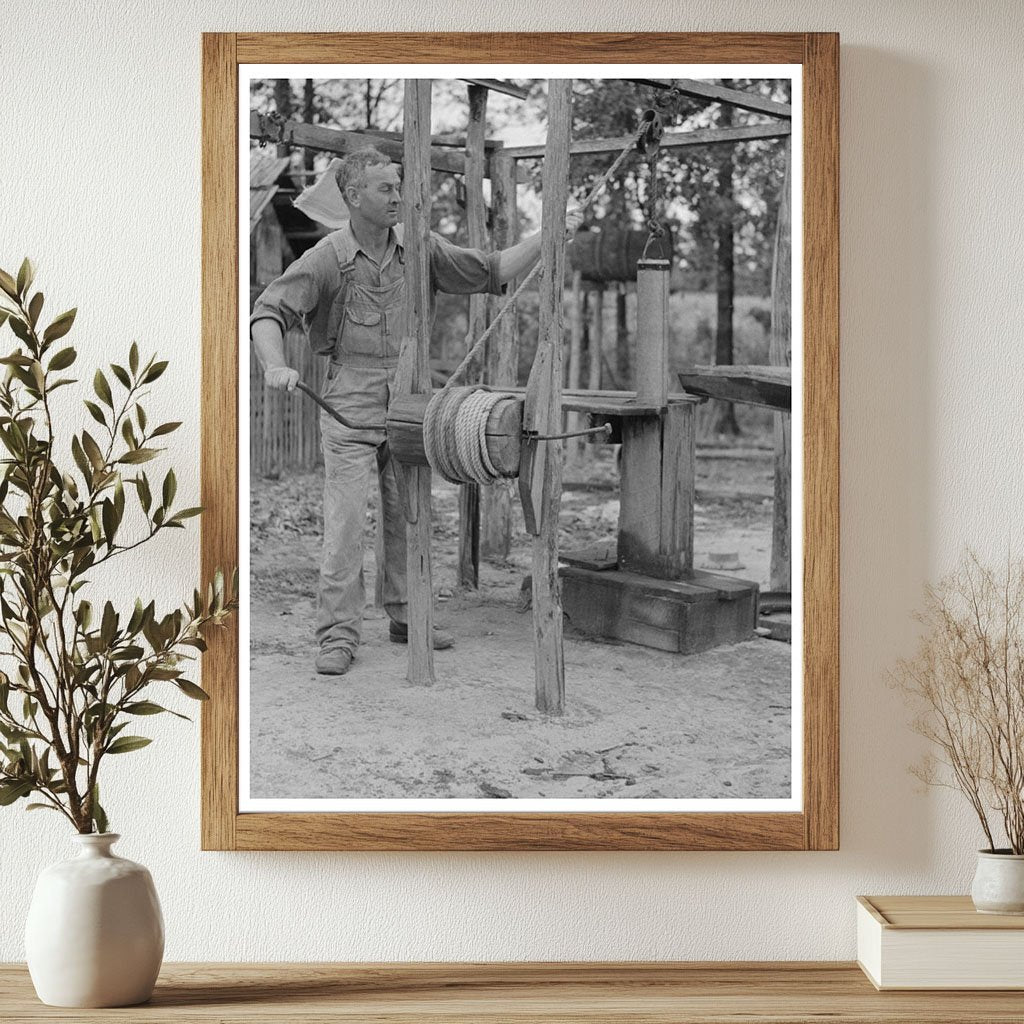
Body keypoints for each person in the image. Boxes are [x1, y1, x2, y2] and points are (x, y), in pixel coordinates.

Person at [252, 147, 581, 676]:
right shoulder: (327, 258)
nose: (398, 197)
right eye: (386, 189)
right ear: (353, 196)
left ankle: (407, 614)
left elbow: (491, 272)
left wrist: (548, 236)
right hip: (347, 411)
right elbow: (268, 314)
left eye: (399, 186)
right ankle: (337, 635)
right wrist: (274, 364)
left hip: (409, 406)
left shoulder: (421, 247)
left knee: (411, 515)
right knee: (345, 527)